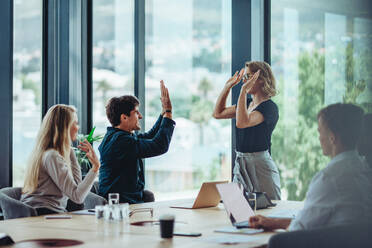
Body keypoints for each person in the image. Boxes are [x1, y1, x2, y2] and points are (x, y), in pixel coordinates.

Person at [249, 103, 372, 231]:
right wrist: (273, 222)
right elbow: (311, 221)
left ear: (332, 138)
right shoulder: (364, 170)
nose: (319, 138)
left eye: (320, 132)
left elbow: (299, 229)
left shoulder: (329, 178)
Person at [98, 80, 175, 204]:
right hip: (122, 205)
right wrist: (168, 111)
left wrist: (164, 112)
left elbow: (150, 136)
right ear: (124, 117)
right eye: (136, 112)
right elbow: (159, 146)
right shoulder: (121, 141)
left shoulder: (117, 136)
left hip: (129, 200)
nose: (140, 116)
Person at [213, 61, 281, 200]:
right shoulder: (246, 104)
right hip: (241, 162)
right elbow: (218, 113)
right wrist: (227, 87)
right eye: (244, 77)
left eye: (248, 76)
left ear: (261, 79)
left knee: (272, 209)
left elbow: (243, 122)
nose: (244, 81)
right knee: (237, 209)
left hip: (260, 164)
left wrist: (243, 90)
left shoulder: (269, 108)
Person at [21, 104, 100, 215]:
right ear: (65, 127)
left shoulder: (49, 152)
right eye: (75, 123)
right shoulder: (52, 156)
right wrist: (95, 167)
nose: (78, 127)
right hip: (43, 214)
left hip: (50, 212)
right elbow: (77, 197)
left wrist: (70, 151)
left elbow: (77, 188)